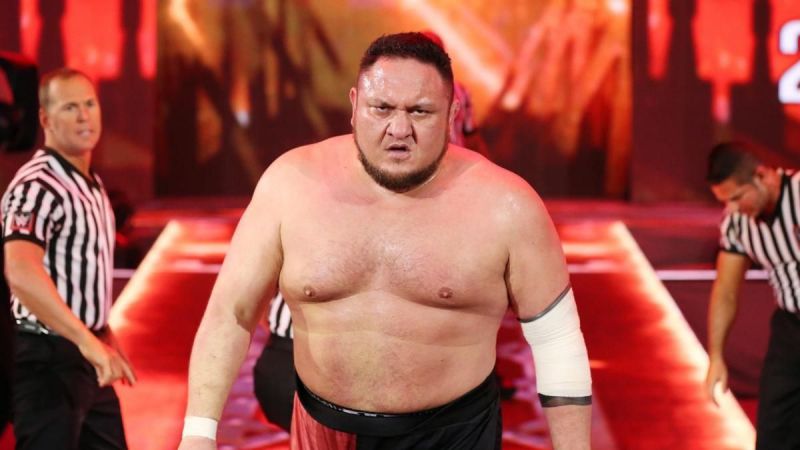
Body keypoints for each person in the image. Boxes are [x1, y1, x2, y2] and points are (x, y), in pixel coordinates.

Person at [179, 32, 592, 450]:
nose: (399, 129)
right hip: (322, 430)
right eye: (382, 108)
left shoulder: (508, 205)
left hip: (453, 436)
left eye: (420, 111)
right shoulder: (290, 183)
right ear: (355, 105)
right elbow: (231, 312)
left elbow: (557, 340)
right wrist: (198, 433)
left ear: (453, 113)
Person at [1, 68, 136, 449]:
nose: (84, 116)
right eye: (70, 107)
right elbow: (20, 271)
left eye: (90, 104)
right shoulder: (37, 185)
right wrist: (86, 340)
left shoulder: (90, 182)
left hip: (85, 354)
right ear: (45, 119)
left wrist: (104, 335)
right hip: (46, 360)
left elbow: (81, 272)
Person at [704, 142, 800, 449]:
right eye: (725, 201)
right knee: (774, 429)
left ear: (762, 176)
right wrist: (716, 356)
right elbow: (726, 291)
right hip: (791, 326)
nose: (732, 208)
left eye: (736, 197)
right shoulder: (737, 224)